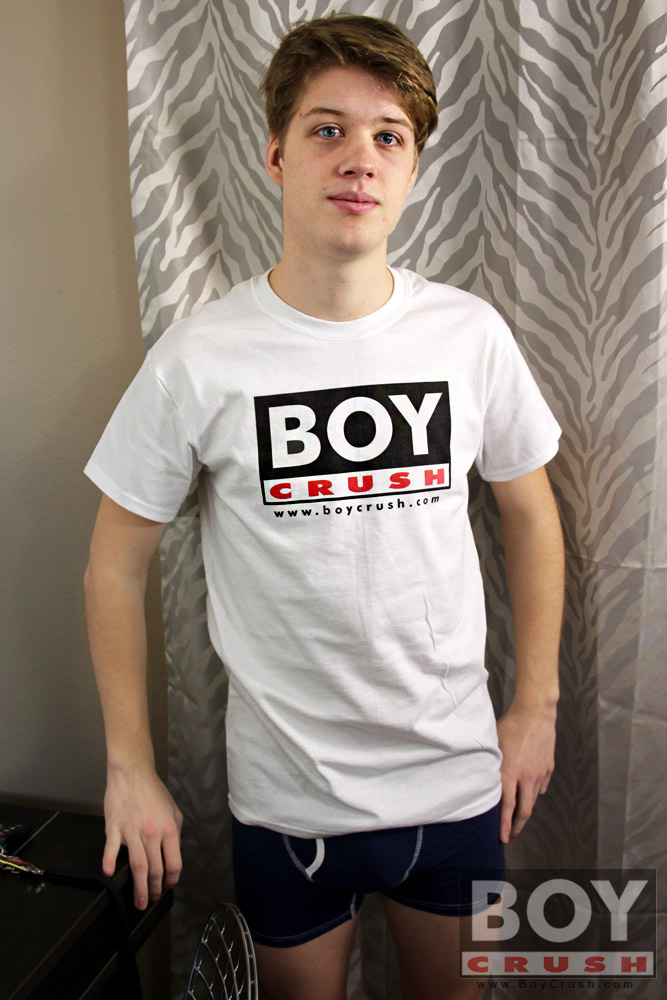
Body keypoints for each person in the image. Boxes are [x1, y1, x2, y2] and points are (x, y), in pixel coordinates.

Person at [83, 13, 564, 1000]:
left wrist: (535, 705)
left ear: (415, 167)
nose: (359, 158)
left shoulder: (467, 335)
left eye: (389, 135)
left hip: (456, 783)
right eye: (327, 129)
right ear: (276, 155)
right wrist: (130, 765)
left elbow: (530, 514)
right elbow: (112, 563)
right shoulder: (198, 357)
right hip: (290, 802)